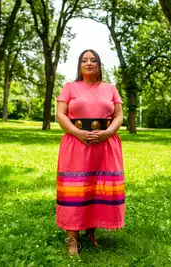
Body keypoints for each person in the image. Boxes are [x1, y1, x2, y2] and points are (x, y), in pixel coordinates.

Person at [55, 49, 125, 256]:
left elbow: (119, 116)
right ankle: (71, 241)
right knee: (75, 190)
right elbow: (60, 115)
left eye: (93, 60)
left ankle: (91, 233)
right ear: (79, 65)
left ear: (99, 65)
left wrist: (107, 133)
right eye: (84, 60)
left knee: (96, 188)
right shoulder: (69, 87)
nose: (88, 63)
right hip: (77, 144)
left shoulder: (110, 89)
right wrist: (78, 133)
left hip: (105, 145)